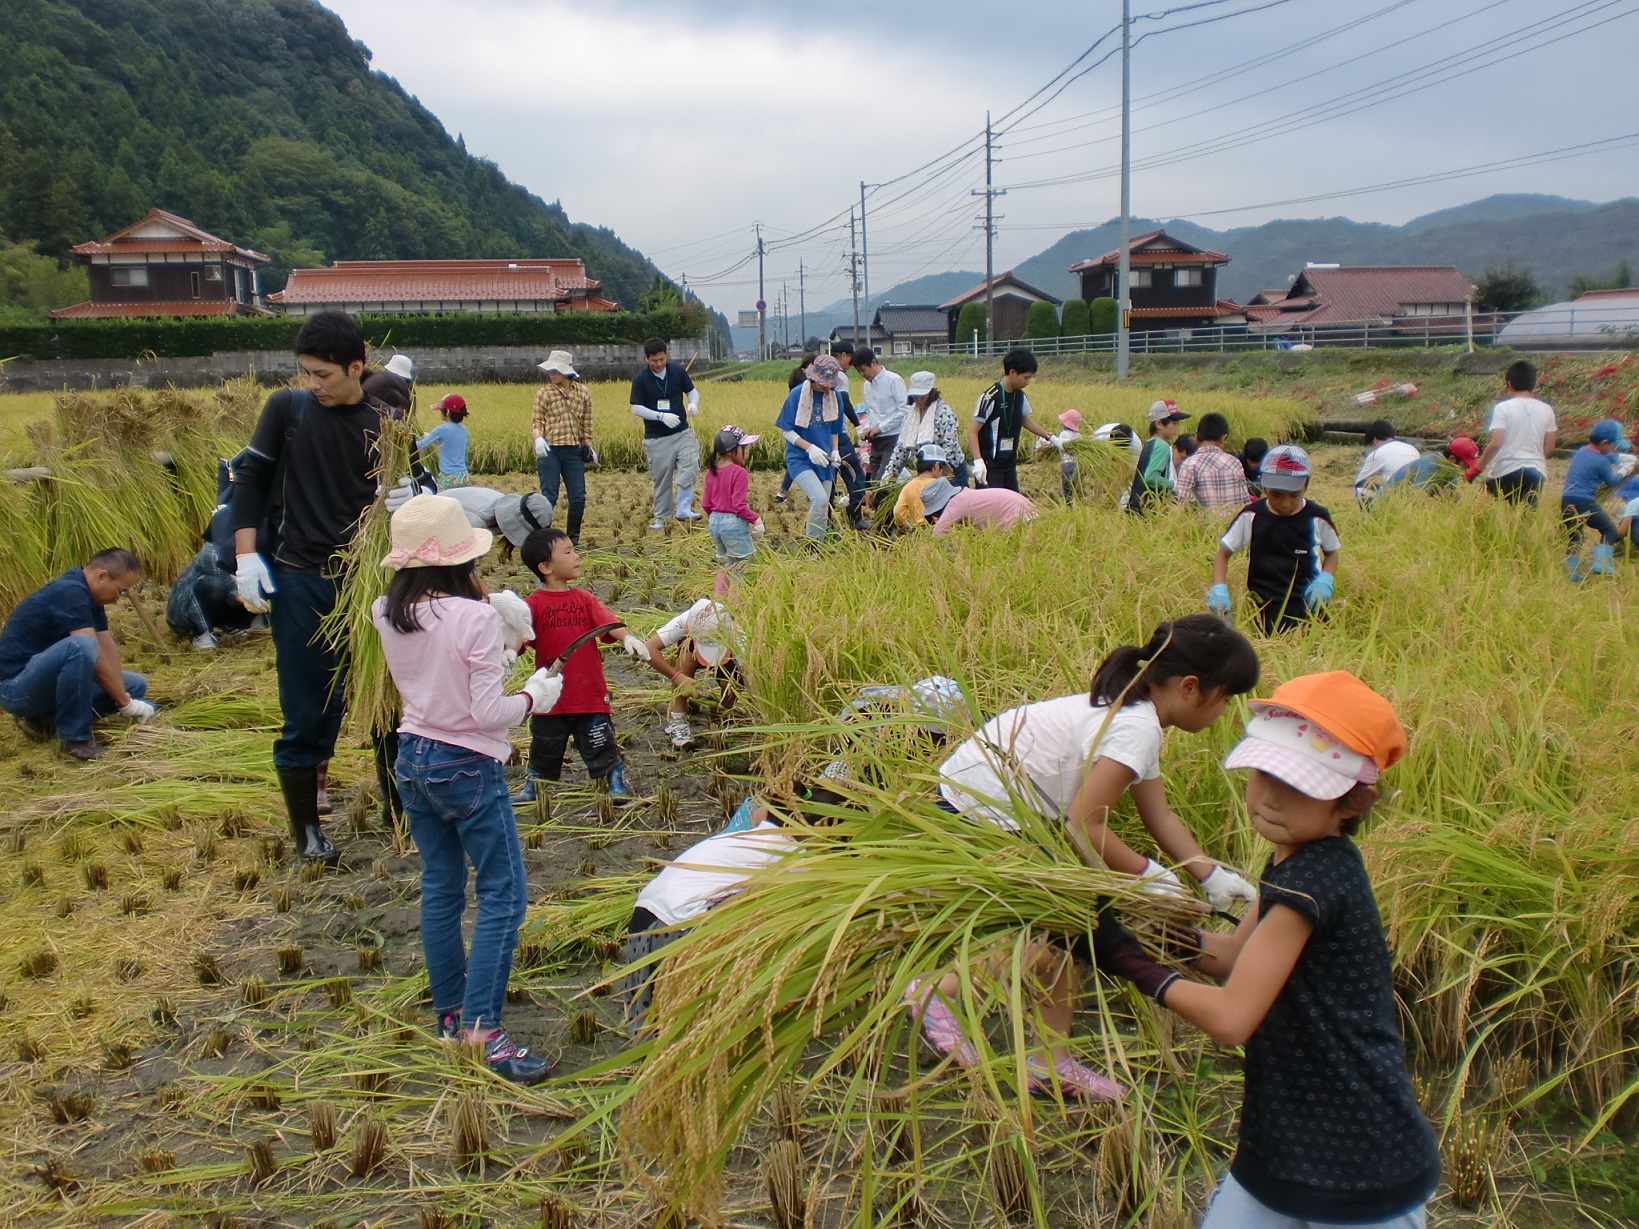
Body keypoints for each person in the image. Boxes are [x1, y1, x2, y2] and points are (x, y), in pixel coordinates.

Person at [1094, 671, 1438, 1229]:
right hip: (1286, 1139)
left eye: (1301, 785)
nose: (1272, 797)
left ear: (1354, 801)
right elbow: (1231, 956)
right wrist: (1138, 927)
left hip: (1356, 1158)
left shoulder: (1313, 886)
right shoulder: (1293, 861)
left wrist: (1125, 959)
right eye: (1264, 773)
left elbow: (1232, 1018)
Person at [916, 615, 1262, 1099]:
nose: (1224, 712)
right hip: (981, 811)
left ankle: (1048, 1060)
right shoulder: (1135, 727)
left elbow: (1158, 819)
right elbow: (1084, 825)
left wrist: (1209, 875)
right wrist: (1146, 877)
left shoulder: (1139, 715)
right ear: (1191, 687)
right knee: (1058, 923)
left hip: (992, 804)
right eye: (1225, 698)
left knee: (1070, 926)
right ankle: (941, 993)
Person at [371, 493, 565, 1083]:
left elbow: (443, 676)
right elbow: (486, 712)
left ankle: (452, 1018)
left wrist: (500, 652)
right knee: (504, 895)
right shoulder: (472, 617)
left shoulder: (385, 610)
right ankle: (484, 1031)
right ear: (460, 560)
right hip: (466, 765)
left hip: (413, 759)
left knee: (441, 889)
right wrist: (534, 696)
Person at [230, 310, 395, 863]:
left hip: (368, 584)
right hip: (301, 579)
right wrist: (245, 556)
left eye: (324, 374)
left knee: (388, 701)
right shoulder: (288, 410)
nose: (313, 384)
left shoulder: (386, 422)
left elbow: (412, 500)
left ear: (356, 367)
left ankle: (401, 809)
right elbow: (249, 480)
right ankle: (305, 831)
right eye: (307, 373)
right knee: (308, 708)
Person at [619, 779, 846, 1038]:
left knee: (655, 1026)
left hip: (644, 919)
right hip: (680, 929)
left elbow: (758, 811)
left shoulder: (756, 833)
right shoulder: (796, 858)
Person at [513, 527, 650, 805]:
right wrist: (506, 655)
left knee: (600, 739)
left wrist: (628, 638)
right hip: (550, 694)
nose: (576, 556)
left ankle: (614, 778)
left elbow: (608, 622)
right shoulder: (532, 605)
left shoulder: (584, 599)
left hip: (589, 691)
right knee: (545, 743)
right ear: (546, 566)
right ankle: (536, 782)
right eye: (568, 551)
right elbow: (518, 637)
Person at [0, 548, 155, 760]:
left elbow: (107, 648)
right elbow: (93, 653)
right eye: (119, 591)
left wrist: (124, 695)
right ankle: (74, 739)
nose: (118, 600)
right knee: (80, 647)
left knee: (134, 684)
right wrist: (125, 704)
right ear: (102, 575)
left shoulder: (91, 597)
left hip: (47, 684)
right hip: (17, 688)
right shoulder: (69, 591)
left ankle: (45, 721)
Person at [1209, 445, 1340, 635]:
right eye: (1276, 494)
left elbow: (1332, 554)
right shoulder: (1251, 516)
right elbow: (1223, 554)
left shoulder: (1317, 517)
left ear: (1306, 486)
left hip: (1309, 610)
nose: (1285, 503)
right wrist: (1219, 589)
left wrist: (1325, 579)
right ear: (1264, 486)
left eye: (1294, 495)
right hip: (1263, 610)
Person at [641, 597, 740, 751]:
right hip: (692, 653)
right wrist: (678, 678)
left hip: (727, 653)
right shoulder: (684, 622)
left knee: (732, 682)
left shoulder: (738, 631)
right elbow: (648, 648)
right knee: (684, 661)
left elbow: (749, 675)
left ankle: (724, 712)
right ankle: (677, 719)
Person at [630, 338, 701, 530]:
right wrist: (661, 416)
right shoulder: (641, 379)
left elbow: (692, 392)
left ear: (666, 356)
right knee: (662, 479)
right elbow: (636, 408)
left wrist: (693, 404)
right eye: (654, 361)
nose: (659, 364)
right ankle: (662, 517)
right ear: (646, 359)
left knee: (691, 463)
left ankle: (684, 508)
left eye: (662, 359)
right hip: (656, 438)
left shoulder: (677, 371)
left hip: (682, 431)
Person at [775, 354, 847, 543]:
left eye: (828, 383)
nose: (825, 386)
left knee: (824, 505)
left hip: (824, 459)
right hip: (800, 458)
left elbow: (835, 429)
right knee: (820, 499)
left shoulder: (835, 397)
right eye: (822, 382)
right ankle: (811, 546)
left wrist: (835, 450)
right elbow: (786, 431)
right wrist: (809, 449)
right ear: (813, 376)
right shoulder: (797, 395)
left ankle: (818, 545)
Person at [968, 348, 1059, 492]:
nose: (1028, 382)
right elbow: (972, 432)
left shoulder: (1020, 396)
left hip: (1009, 463)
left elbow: (1025, 420)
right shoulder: (990, 397)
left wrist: (1050, 437)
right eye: (1026, 377)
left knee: (1013, 506)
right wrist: (978, 461)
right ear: (1012, 372)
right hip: (990, 465)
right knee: (992, 510)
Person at [533, 350, 596, 544]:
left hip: (573, 451)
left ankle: (573, 538)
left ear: (566, 371)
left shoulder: (583, 393)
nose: (551, 374)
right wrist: (538, 438)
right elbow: (537, 421)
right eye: (550, 370)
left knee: (578, 497)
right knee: (549, 497)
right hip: (550, 450)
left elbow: (587, 423)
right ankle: (544, 539)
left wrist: (589, 447)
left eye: (555, 370)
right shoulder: (544, 393)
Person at [1476, 360, 1557, 506]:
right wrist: (1533, 458)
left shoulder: (1503, 408)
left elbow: (1496, 443)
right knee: (1524, 520)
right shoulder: (1547, 409)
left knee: (1483, 513)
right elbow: (1550, 448)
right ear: (1533, 385)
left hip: (1505, 470)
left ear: (1509, 384)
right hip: (1536, 472)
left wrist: (1477, 468)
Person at [1560, 418, 1630, 581]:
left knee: (1575, 536)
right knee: (1609, 530)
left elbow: (1606, 457)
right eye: (1614, 445)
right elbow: (1611, 481)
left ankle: (1572, 572)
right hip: (1584, 501)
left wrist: (1618, 457)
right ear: (1605, 442)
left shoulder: (1582, 451)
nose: (1615, 449)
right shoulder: (1601, 461)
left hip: (1566, 500)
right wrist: (1625, 470)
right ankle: (1601, 564)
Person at [166, 542, 259, 650]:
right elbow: (230, 592)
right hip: (188, 611)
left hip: (220, 605)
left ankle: (235, 625)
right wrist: (248, 599)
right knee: (214, 586)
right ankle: (202, 634)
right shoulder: (213, 552)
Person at [884, 371, 968, 489]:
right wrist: (890, 471)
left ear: (931, 393)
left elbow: (950, 446)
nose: (918, 399)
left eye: (922, 395)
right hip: (925, 472)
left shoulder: (944, 413)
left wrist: (938, 473)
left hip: (949, 471)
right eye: (915, 395)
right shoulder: (910, 414)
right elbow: (901, 446)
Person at [701, 425, 765, 568]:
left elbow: (705, 504)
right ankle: (736, 591)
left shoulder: (711, 472)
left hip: (714, 522)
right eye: (743, 448)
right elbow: (738, 505)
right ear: (731, 452)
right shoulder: (739, 472)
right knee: (740, 565)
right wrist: (756, 520)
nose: (746, 453)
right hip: (733, 524)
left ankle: (720, 591)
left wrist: (718, 517)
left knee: (728, 563)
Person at [854, 347, 907, 486]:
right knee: (875, 484)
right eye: (858, 371)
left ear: (873, 363)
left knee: (884, 483)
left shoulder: (893, 380)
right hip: (875, 442)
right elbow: (871, 413)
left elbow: (903, 411)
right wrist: (867, 428)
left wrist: (880, 428)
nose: (862, 374)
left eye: (863, 370)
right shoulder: (867, 386)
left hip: (893, 439)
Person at [1176, 413, 1251, 509]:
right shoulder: (1235, 463)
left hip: (1202, 523)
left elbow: (1183, 505)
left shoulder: (1189, 465)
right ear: (1224, 437)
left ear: (1196, 438)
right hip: (1234, 522)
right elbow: (1245, 503)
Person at [1129, 400, 1191, 514]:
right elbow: (1151, 477)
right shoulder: (1162, 446)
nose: (1176, 428)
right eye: (1174, 423)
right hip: (1148, 511)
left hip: (1136, 506)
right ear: (1159, 424)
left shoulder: (1150, 443)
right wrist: (1174, 485)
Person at [892, 444, 961, 530]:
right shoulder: (941, 485)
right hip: (939, 528)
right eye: (942, 468)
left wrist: (903, 525)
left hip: (918, 531)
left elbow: (897, 512)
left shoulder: (908, 487)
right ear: (937, 466)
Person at [1353, 420, 1422, 504]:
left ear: (1375, 440)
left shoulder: (1377, 453)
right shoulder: (1411, 448)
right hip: (1419, 492)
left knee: (1360, 488)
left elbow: (1359, 482)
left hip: (1395, 495)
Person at [1383, 436, 1481, 493]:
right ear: (1452, 459)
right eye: (1467, 464)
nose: (1468, 468)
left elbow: (1450, 496)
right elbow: (1418, 497)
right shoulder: (1430, 465)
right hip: (1387, 506)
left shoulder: (1450, 471)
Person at [931, 486, 1035, 535]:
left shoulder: (955, 503)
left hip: (1019, 520)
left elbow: (938, 533)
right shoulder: (966, 495)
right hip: (1030, 512)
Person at [417, 394, 471, 488]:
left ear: (447, 412)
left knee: (443, 502)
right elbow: (449, 444)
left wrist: (404, 439)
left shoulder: (441, 429)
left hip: (448, 478)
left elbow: (419, 446)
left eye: (441, 410)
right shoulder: (463, 430)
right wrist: (430, 436)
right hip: (464, 476)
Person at [1037, 408, 1085, 503]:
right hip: (1078, 465)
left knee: (1066, 487)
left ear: (1065, 423)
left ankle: (1068, 505)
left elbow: (1060, 444)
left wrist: (1051, 438)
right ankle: (1078, 503)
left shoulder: (1064, 434)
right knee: (1076, 486)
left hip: (1067, 464)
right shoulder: (1079, 436)